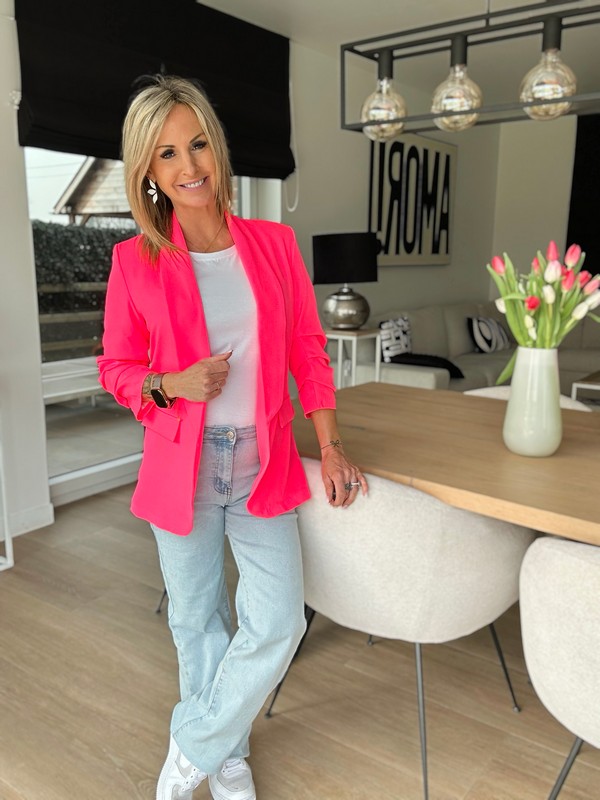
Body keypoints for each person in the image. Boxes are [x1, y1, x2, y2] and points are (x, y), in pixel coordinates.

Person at [97, 74, 368, 800]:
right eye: (166, 154)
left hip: (260, 463)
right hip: (181, 469)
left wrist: (331, 443)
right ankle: (227, 758)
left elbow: (308, 348)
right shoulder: (134, 261)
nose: (189, 167)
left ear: (216, 147)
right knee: (198, 623)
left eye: (197, 145)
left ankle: (194, 743)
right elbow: (116, 370)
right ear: (147, 171)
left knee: (277, 622)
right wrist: (172, 383)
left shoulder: (274, 245)